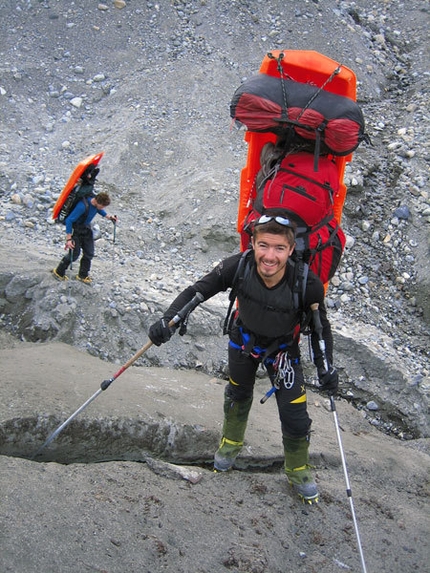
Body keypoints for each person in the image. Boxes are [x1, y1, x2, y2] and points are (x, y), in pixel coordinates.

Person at [148, 210, 338, 504]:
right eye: (263, 245)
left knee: (296, 415)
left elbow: (319, 328)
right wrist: (168, 321)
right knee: (237, 394)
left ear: (291, 249)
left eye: (278, 248)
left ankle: (298, 470)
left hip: (283, 351)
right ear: (253, 244)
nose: (270, 256)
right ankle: (230, 446)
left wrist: (326, 367)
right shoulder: (238, 266)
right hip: (244, 341)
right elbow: (198, 291)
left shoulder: (306, 283)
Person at [52, 168, 117, 284]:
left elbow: (98, 210)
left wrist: (109, 217)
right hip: (76, 230)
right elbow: (69, 220)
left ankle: (83, 275)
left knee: (89, 253)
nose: (103, 209)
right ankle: (59, 271)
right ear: (97, 202)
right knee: (75, 254)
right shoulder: (82, 206)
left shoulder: (96, 205)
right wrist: (69, 239)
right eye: (103, 206)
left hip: (86, 229)